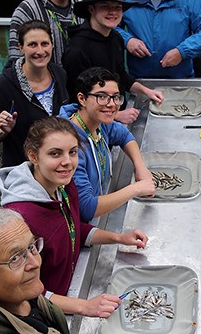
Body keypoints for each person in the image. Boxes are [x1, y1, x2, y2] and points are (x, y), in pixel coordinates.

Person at [0, 117, 148, 317]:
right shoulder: (20, 218)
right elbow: (21, 290)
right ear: (33, 156)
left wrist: (118, 238)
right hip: (45, 311)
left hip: (68, 291)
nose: (67, 162)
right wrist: (83, 306)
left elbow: (73, 227)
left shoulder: (63, 185)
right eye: (55, 153)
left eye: (72, 152)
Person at [60, 67, 156, 220]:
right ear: (82, 99)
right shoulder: (69, 146)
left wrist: (140, 167)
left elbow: (124, 136)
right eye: (102, 97)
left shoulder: (98, 121)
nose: (111, 104)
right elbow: (86, 208)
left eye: (116, 97)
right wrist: (136, 189)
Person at [62, 0, 164, 124]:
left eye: (117, 7)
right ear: (91, 9)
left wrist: (147, 92)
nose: (113, 12)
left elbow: (120, 75)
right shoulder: (77, 50)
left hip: (115, 117)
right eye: (105, 7)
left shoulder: (116, 38)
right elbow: (77, 101)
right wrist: (116, 115)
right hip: (91, 126)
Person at [0, 20, 68, 168]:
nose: (40, 51)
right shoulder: (3, 86)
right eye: (32, 45)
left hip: (58, 166)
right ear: (21, 47)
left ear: (52, 45)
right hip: (24, 170)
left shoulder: (59, 74)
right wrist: (3, 130)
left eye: (45, 44)